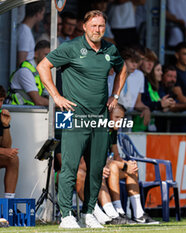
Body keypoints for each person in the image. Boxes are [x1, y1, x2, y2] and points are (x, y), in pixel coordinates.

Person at [37, 10, 127, 228]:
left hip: (100, 117)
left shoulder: (109, 49)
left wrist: (115, 95)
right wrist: (56, 96)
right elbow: (42, 66)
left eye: (101, 26)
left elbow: (122, 68)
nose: (98, 30)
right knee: (70, 166)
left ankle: (88, 213)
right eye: (94, 26)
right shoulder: (71, 48)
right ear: (84, 26)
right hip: (72, 115)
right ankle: (66, 215)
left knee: (96, 168)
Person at [8, 40, 50, 106]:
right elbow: (38, 101)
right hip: (16, 113)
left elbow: (48, 96)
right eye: (46, 55)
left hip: (27, 113)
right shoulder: (25, 71)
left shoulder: (43, 72)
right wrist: (57, 103)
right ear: (35, 54)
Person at [17, 1, 45, 66]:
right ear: (38, 13)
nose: (42, 17)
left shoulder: (26, 30)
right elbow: (21, 61)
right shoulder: (24, 31)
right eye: (42, 14)